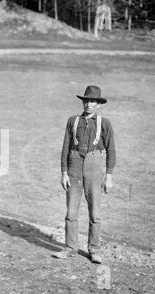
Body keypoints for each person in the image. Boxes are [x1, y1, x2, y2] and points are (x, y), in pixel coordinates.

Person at [54, 85, 116, 264]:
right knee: (71, 212)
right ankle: (70, 248)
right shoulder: (72, 121)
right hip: (74, 166)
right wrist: (64, 172)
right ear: (83, 102)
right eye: (86, 100)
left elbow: (111, 150)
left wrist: (109, 176)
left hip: (94, 167)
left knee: (95, 213)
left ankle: (94, 249)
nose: (88, 104)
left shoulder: (104, 123)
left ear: (98, 104)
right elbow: (65, 147)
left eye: (93, 101)